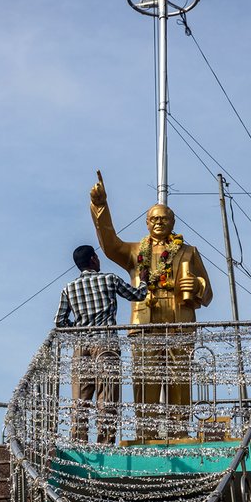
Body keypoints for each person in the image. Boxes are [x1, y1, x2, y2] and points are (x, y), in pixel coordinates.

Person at [89, 172, 213, 440]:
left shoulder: (188, 252)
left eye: (164, 218)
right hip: (145, 321)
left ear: (173, 222)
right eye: (154, 218)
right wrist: (100, 207)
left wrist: (198, 286)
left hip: (180, 319)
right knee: (145, 380)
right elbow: (109, 245)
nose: (159, 222)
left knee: (179, 379)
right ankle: (146, 432)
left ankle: (180, 431)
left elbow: (208, 292)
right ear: (146, 223)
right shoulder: (135, 251)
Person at [54, 244, 148, 444]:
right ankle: (104, 444)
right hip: (106, 344)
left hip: (81, 347)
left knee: (80, 400)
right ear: (94, 259)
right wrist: (144, 281)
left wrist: (79, 327)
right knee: (107, 397)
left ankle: (78, 444)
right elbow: (138, 296)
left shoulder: (68, 288)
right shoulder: (109, 279)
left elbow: (59, 322)